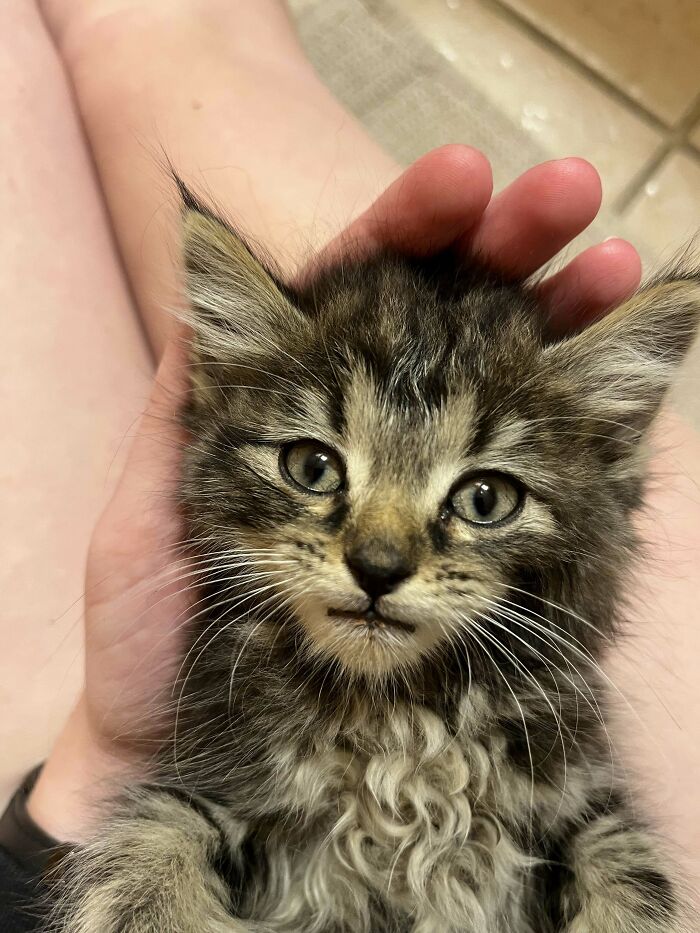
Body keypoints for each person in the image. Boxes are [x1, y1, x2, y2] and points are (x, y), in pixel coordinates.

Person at [1, 1, 698, 928]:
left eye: (483, 496)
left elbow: (594, 831)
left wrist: (59, 818)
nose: (380, 553)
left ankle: (142, 32)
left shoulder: (542, 705)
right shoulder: (241, 681)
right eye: (314, 465)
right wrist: (114, 773)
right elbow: (182, 815)